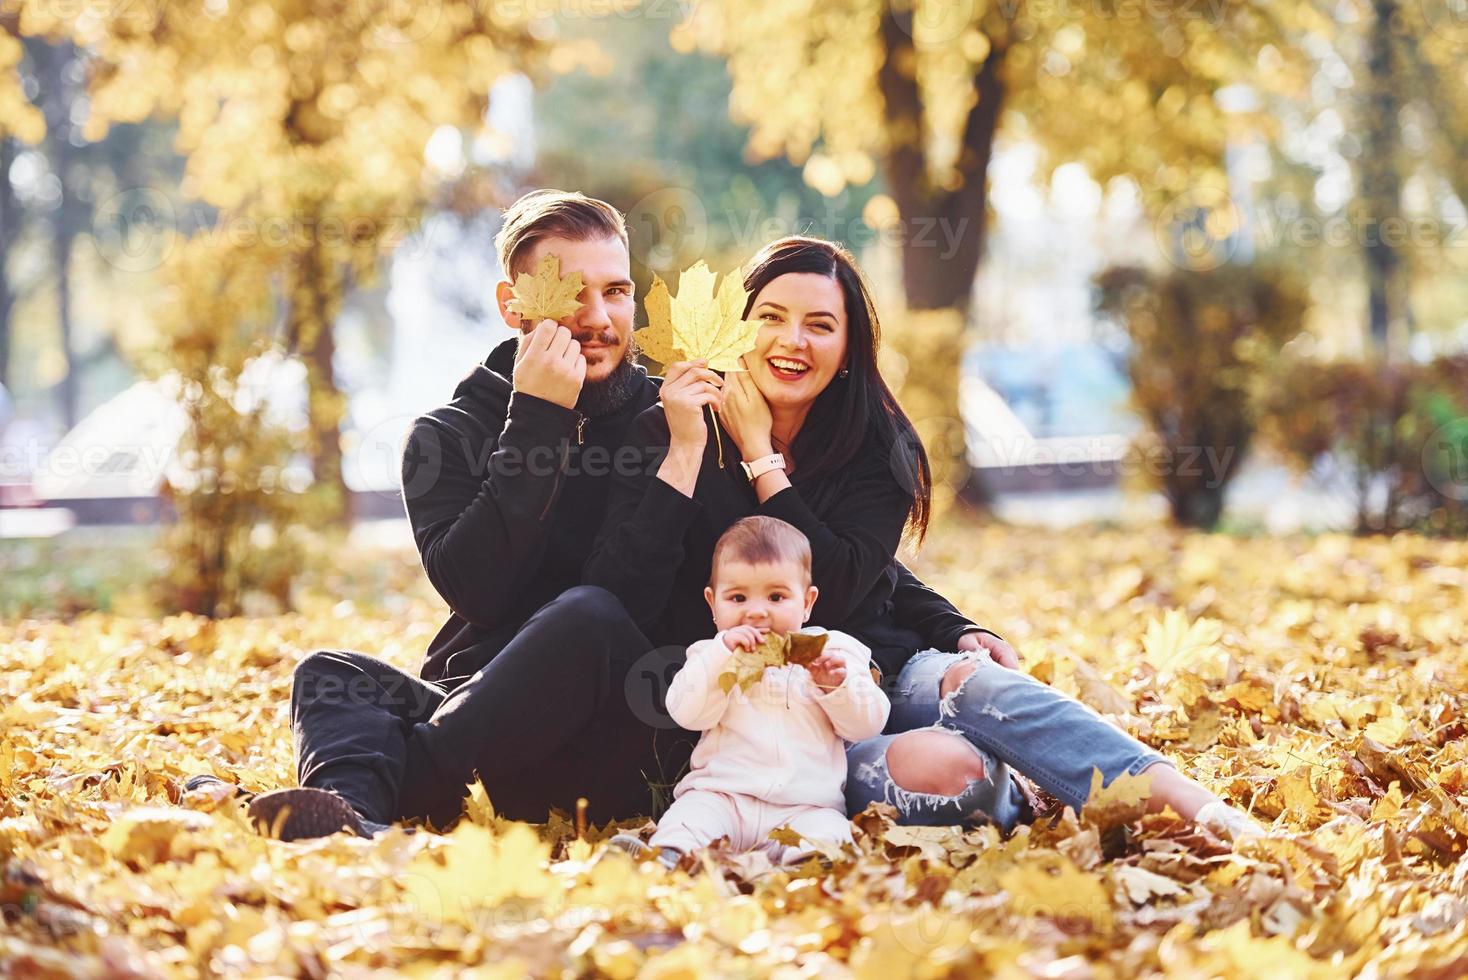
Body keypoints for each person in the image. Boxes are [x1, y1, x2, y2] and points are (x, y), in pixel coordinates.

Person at [205, 192, 997, 841]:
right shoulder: (446, 438)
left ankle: (414, 776)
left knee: (587, 613)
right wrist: (538, 421)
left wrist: (950, 622)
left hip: (634, 722)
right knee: (330, 674)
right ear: (514, 305)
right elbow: (478, 590)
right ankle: (355, 821)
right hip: (488, 716)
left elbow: (806, 556)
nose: (598, 315)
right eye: (568, 292)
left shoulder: (679, 418)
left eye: (614, 290)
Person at [586, 235, 1261, 842]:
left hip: (874, 673)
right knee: (950, 773)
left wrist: (763, 458)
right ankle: (1018, 782)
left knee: (975, 679)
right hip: (758, 739)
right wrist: (704, 449)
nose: (793, 341)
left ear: (849, 349)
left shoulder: (878, 447)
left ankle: (1196, 807)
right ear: (739, 329)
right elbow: (630, 584)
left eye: (820, 325)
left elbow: (850, 582)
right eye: (771, 317)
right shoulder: (676, 427)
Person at [614, 516, 888, 867]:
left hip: (805, 805)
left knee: (829, 835)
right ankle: (670, 859)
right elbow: (685, 712)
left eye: (776, 596)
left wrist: (837, 687)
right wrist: (721, 656)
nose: (756, 612)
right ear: (713, 605)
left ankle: (811, 867)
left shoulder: (832, 652)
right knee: (690, 819)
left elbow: (868, 725)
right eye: (738, 597)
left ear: (807, 602)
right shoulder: (709, 655)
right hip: (723, 796)